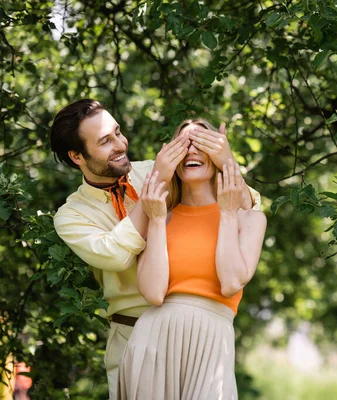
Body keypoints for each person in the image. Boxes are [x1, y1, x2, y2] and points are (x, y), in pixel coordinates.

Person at [50, 99, 261, 399]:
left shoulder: (156, 169)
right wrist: (159, 181)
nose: (121, 144)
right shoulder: (72, 216)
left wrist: (226, 161)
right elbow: (117, 254)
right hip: (133, 335)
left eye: (118, 132)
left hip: (201, 329)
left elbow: (248, 202)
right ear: (77, 156)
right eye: (105, 141)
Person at [118, 119, 267, 400]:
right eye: (183, 145)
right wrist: (158, 220)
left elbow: (231, 282)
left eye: (202, 143)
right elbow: (153, 293)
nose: (192, 151)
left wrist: (227, 212)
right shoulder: (159, 216)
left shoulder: (249, 218)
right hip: (154, 340)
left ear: (217, 154)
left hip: (213, 344)